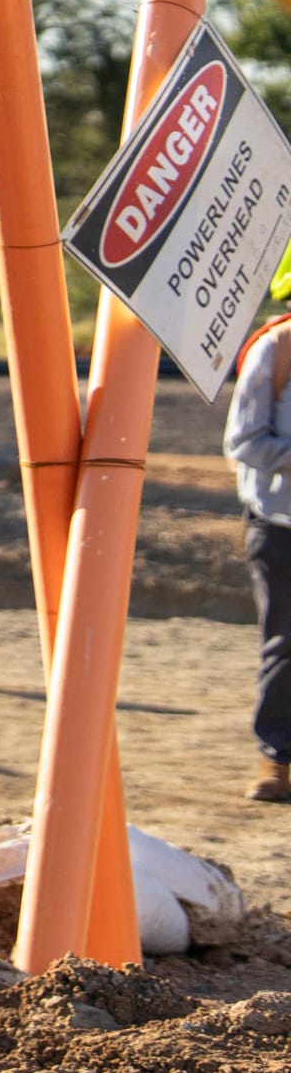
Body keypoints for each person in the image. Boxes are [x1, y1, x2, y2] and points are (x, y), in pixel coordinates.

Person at [226, 309, 291, 803]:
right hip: (281, 522)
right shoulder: (277, 348)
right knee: (285, 645)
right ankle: (277, 759)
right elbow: (243, 441)